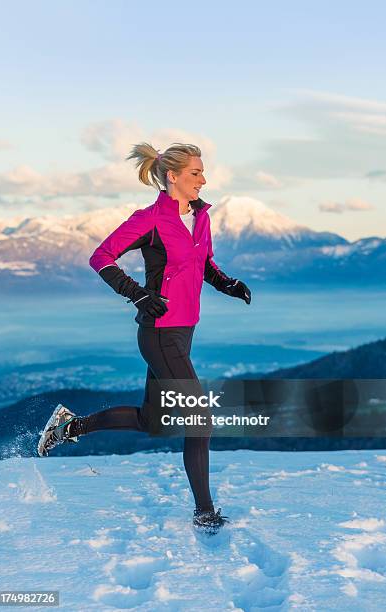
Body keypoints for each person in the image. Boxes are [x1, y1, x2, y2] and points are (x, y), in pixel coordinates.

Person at [37, 142, 251, 534]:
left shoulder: (200, 217)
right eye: (195, 173)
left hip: (183, 332)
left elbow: (203, 263)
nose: (203, 179)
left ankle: (69, 427)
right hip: (159, 332)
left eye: (203, 173)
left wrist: (227, 284)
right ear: (173, 176)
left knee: (152, 420)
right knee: (199, 421)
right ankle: (205, 512)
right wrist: (136, 292)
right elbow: (101, 256)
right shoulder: (150, 219)